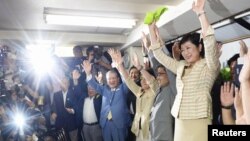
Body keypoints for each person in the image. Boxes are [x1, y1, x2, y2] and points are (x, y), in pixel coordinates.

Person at [147, 0, 220, 141]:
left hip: (199, 119)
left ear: (199, 47)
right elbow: (159, 55)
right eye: (183, 50)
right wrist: (151, 30)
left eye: (188, 48)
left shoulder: (210, 66)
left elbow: (210, 44)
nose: (185, 53)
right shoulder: (181, 66)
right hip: (180, 119)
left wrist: (200, 14)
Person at [109, 48, 157, 141]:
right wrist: (120, 65)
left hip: (149, 131)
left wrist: (140, 67)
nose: (143, 81)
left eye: (146, 78)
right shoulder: (139, 91)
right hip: (138, 130)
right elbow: (128, 80)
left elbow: (152, 81)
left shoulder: (155, 91)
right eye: (142, 78)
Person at [82, 60, 130, 141]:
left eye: (113, 78)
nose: (111, 80)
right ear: (107, 81)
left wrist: (120, 67)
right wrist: (88, 73)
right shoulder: (104, 89)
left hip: (119, 124)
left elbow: (127, 81)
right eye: (109, 79)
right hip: (105, 124)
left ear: (118, 79)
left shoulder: (123, 88)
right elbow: (93, 84)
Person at [51, 76, 78, 141]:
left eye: (65, 83)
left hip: (72, 125)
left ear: (68, 84)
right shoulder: (56, 95)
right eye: (62, 83)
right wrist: (53, 113)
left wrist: (72, 110)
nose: (63, 84)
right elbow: (53, 107)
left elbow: (77, 106)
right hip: (60, 126)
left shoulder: (74, 93)